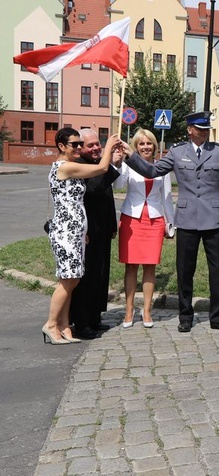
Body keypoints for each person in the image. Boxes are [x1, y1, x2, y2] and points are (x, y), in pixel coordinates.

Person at [120, 111, 219, 333]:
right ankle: (185, 316)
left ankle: (218, 317)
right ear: (190, 130)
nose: (204, 133)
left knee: (217, 270)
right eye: (200, 129)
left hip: (214, 218)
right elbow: (153, 170)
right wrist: (130, 156)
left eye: (206, 129)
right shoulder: (177, 152)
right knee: (184, 270)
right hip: (186, 219)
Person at [43, 128, 118, 345]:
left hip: (76, 231)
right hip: (66, 230)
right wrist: (110, 146)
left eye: (78, 144)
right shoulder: (65, 167)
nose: (77, 148)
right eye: (74, 144)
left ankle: (65, 325)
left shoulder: (71, 166)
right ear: (61, 146)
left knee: (73, 279)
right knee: (67, 280)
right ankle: (51, 324)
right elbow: (103, 168)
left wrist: (83, 231)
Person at [114, 128, 175, 329]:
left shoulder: (161, 167)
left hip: (155, 220)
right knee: (130, 265)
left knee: (150, 266)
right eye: (141, 143)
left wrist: (170, 224)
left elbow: (167, 197)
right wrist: (117, 162)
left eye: (149, 143)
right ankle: (129, 309)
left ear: (155, 146)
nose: (146, 147)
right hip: (132, 218)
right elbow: (118, 185)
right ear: (135, 147)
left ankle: (147, 310)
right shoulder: (128, 165)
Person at [68, 129, 122, 340]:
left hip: (102, 229)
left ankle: (95, 317)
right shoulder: (80, 166)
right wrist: (111, 163)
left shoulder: (99, 162)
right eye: (90, 146)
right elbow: (97, 187)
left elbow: (107, 197)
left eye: (98, 144)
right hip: (86, 231)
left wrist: (112, 224)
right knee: (86, 278)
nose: (96, 148)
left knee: (100, 275)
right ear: (81, 147)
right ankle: (82, 323)